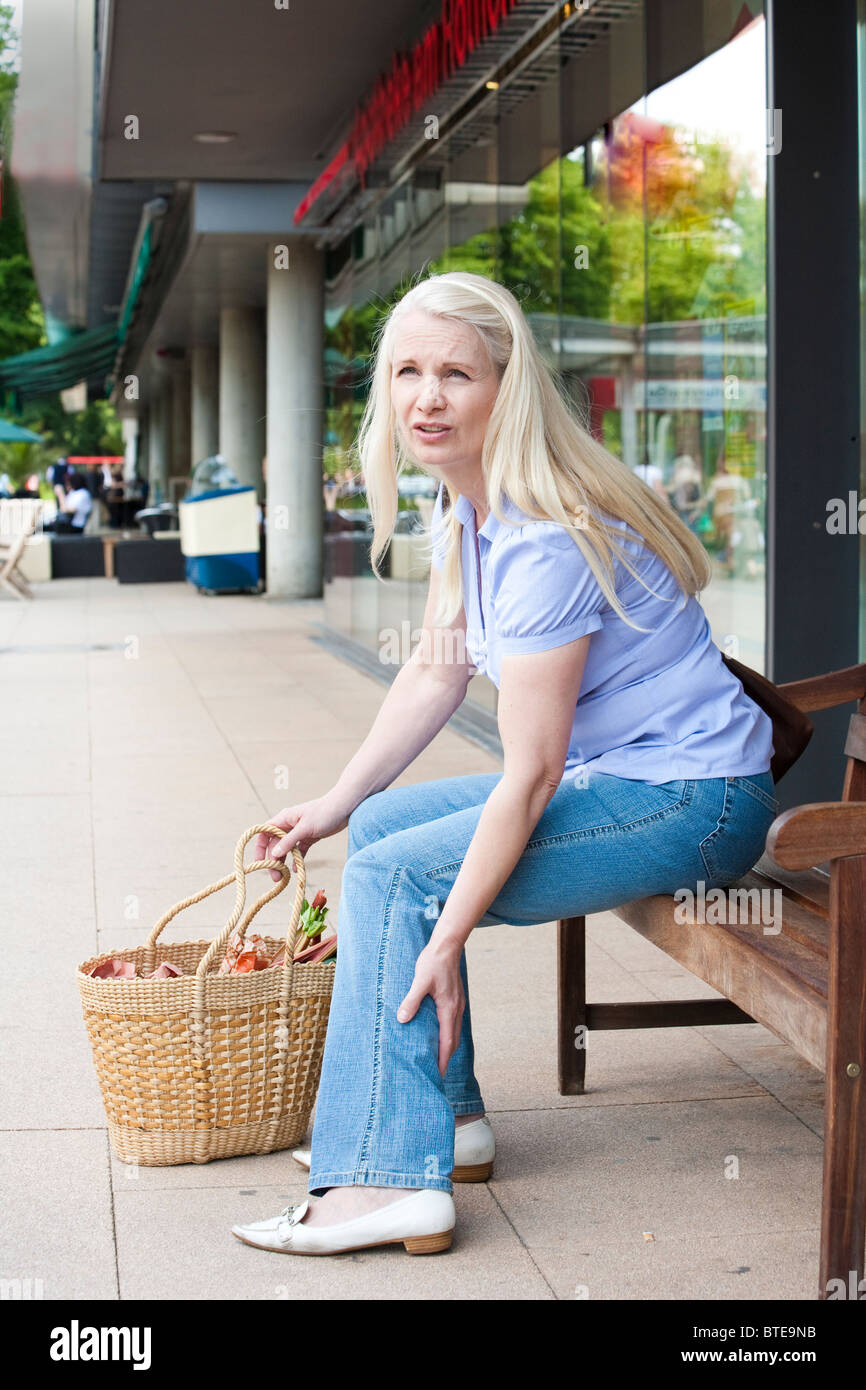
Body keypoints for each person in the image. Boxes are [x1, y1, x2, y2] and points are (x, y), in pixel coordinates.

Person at [231, 271, 776, 1259]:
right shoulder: (466, 512)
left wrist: (444, 932)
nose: (425, 398)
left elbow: (528, 774)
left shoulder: (542, 537)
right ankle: (449, 1118)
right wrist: (336, 801)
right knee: (382, 835)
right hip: (624, 780)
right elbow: (434, 674)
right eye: (406, 372)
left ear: (504, 387)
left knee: (396, 877)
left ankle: (382, 1179)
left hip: (692, 799)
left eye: (454, 373)